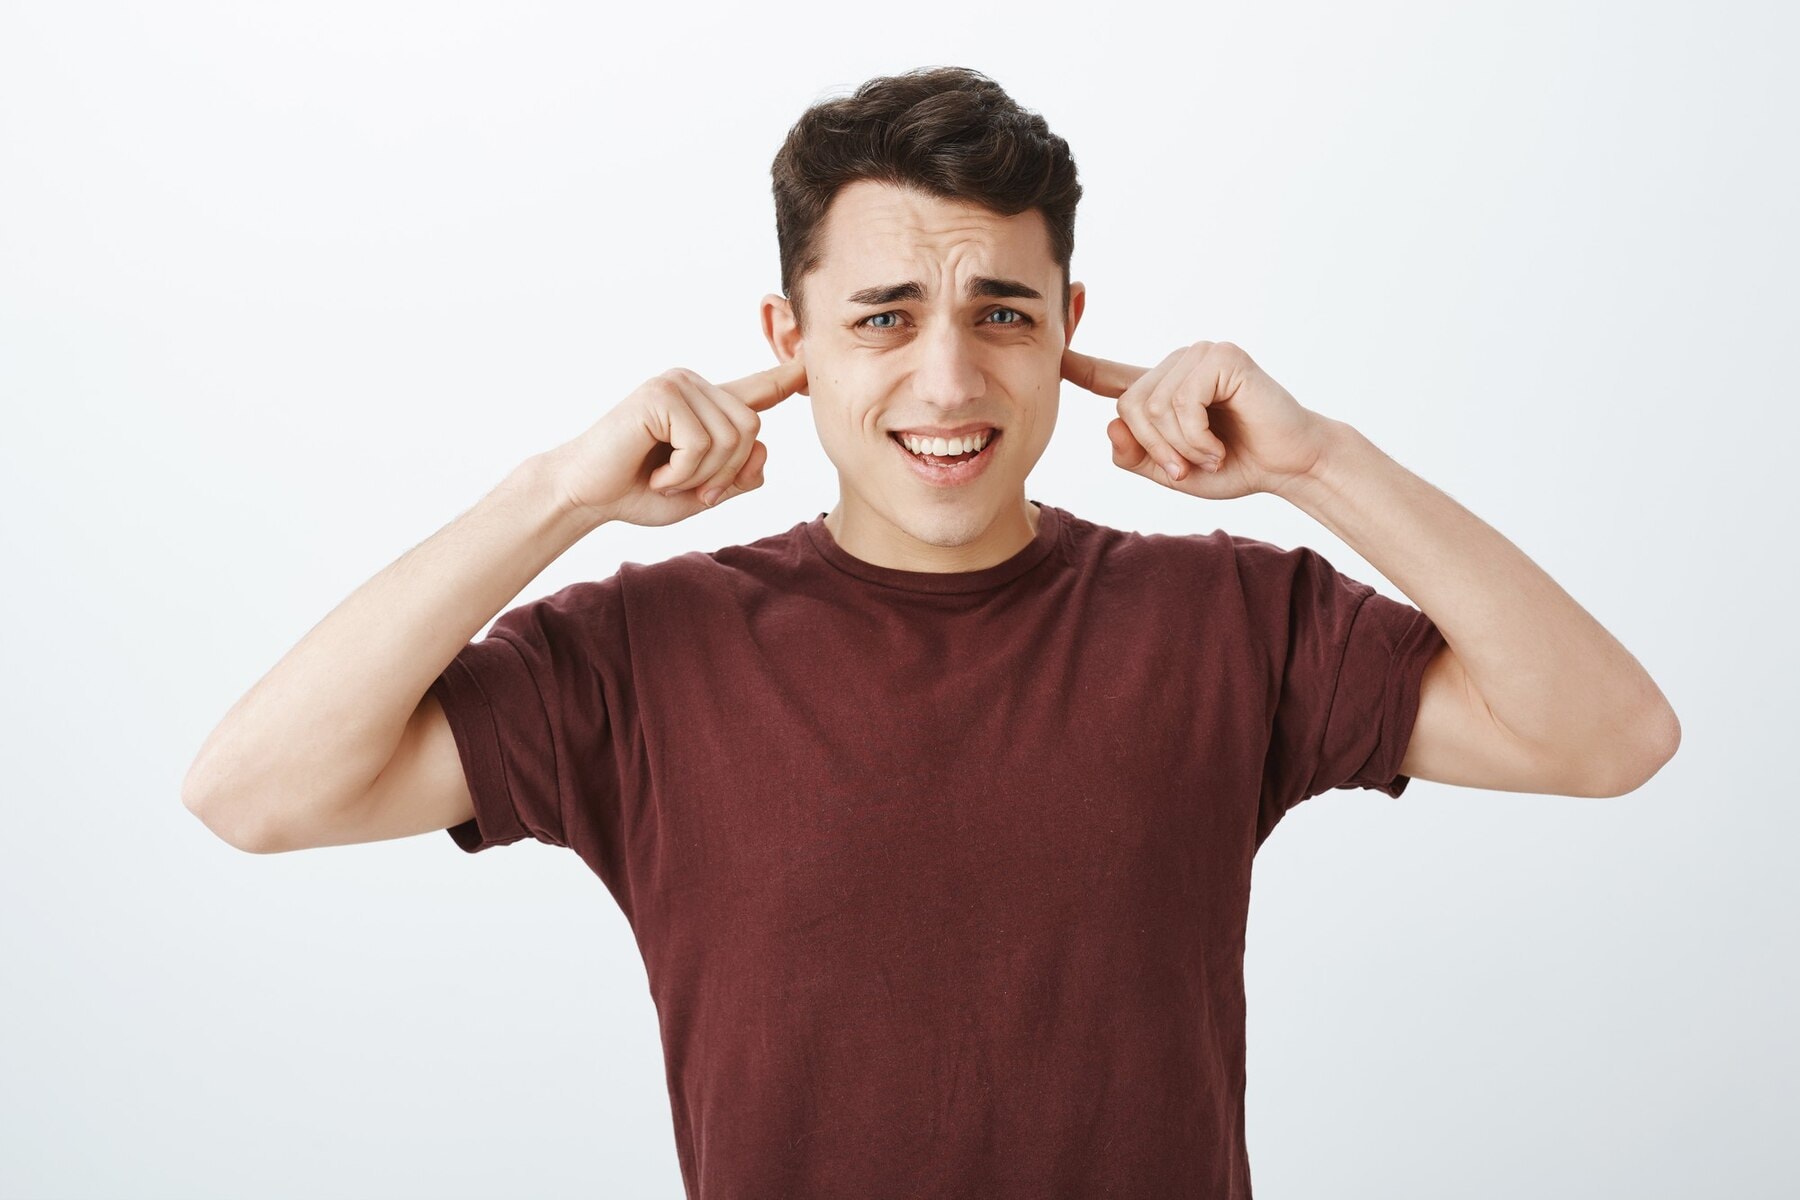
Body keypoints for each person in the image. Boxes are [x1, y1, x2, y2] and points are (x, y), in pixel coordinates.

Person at [182, 65, 1680, 1200]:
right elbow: (256, 793)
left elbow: (1608, 737)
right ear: (791, 341)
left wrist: (1319, 463)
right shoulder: (646, 655)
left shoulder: (1227, 619)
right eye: (887, 316)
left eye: (1006, 315)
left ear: (1070, 320)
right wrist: (553, 497)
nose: (951, 381)